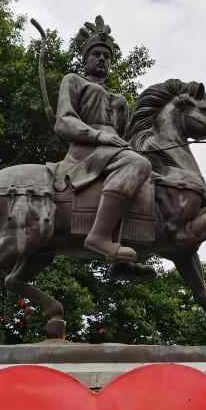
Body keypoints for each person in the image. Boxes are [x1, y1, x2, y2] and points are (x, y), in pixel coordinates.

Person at [54, 16, 152, 264]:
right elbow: (63, 121)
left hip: (115, 152)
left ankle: (127, 260)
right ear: (85, 58)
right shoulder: (73, 81)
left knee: (149, 181)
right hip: (86, 152)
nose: (102, 59)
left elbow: (123, 135)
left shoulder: (118, 98)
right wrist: (98, 135)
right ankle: (98, 237)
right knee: (139, 165)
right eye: (96, 54)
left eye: (106, 57)